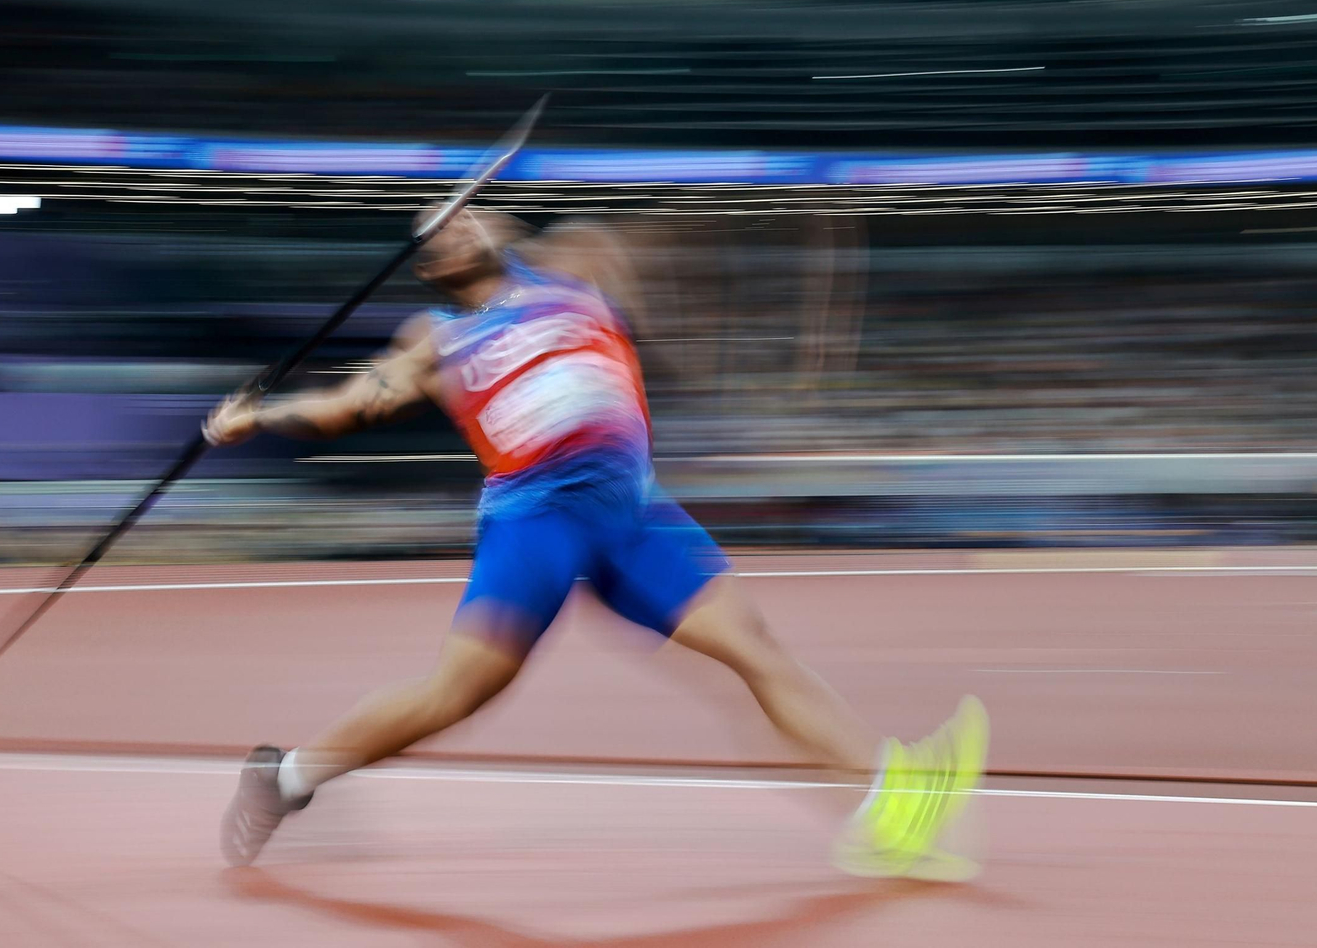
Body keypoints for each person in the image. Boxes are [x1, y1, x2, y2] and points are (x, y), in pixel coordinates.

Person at [204, 208, 988, 881]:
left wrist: (748, 223)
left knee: (753, 645)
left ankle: (888, 803)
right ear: (431, 268)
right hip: (535, 519)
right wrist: (260, 416)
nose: (459, 228)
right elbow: (351, 401)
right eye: (437, 233)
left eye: (467, 214)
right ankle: (289, 774)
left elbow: (652, 237)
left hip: (633, 509)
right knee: (458, 693)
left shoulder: (572, 269)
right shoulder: (438, 339)